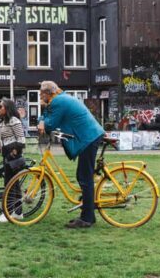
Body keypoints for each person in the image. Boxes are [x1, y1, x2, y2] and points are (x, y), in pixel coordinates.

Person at [37, 81, 106, 229]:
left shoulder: (59, 102)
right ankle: (87, 208)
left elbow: (50, 124)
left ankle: (87, 218)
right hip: (89, 137)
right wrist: (43, 116)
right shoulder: (59, 99)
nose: (40, 96)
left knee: (84, 177)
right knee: (83, 176)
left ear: (48, 93)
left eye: (41, 94)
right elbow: (46, 117)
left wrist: (43, 118)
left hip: (88, 138)